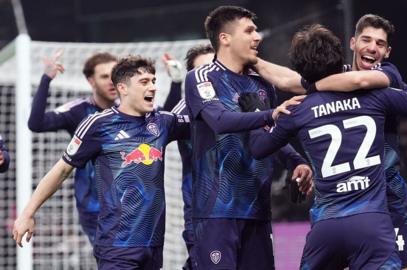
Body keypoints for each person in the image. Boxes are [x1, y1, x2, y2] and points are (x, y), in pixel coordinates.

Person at [240, 24, 407, 270]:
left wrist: (258, 115)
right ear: (350, 45)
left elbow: (260, 146)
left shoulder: (300, 107)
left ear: (388, 51)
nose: (372, 48)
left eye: (380, 43)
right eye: (367, 39)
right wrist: (255, 61)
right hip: (371, 217)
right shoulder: (378, 93)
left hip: (334, 220)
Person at [13, 56, 190, 270]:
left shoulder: (161, 122)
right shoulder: (97, 123)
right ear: (123, 88)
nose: (152, 87)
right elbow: (61, 170)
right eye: (144, 82)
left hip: (152, 242)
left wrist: (188, 80)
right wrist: (27, 214)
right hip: (116, 241)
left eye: (153, 81)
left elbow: (206, 119)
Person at [184, 6, 312, 269]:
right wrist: (270, 115)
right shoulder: (201, 77)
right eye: (249, 30)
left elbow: (268, 135)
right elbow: (219, 121)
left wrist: (295, 161)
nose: (258, 37)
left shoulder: (261, 83)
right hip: (216, 212)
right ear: (225, 38)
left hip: (257, 211)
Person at [170, 44, 215, 270]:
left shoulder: (241, 100)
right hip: (202, 214)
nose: (209, 76)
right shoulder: (182, 112)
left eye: (214, 68)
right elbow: (157, 128)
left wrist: (294, 161)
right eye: (202, 70)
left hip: (246, 209)